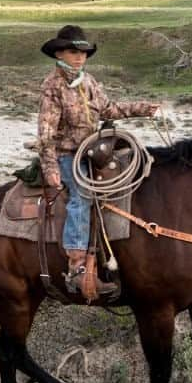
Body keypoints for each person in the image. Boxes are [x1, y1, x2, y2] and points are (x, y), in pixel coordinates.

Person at [38, 25, 159, 299]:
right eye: (73, 52)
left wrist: (141, 109)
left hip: (94, 149)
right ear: (59, 53)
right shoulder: (52, 86)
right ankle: (77, 267)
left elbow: (108, 109)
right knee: (81, 196)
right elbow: (45, 132)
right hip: (68, 154)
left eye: (83, 52)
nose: (80, 57)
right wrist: (50, 167)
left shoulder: (88, 81)